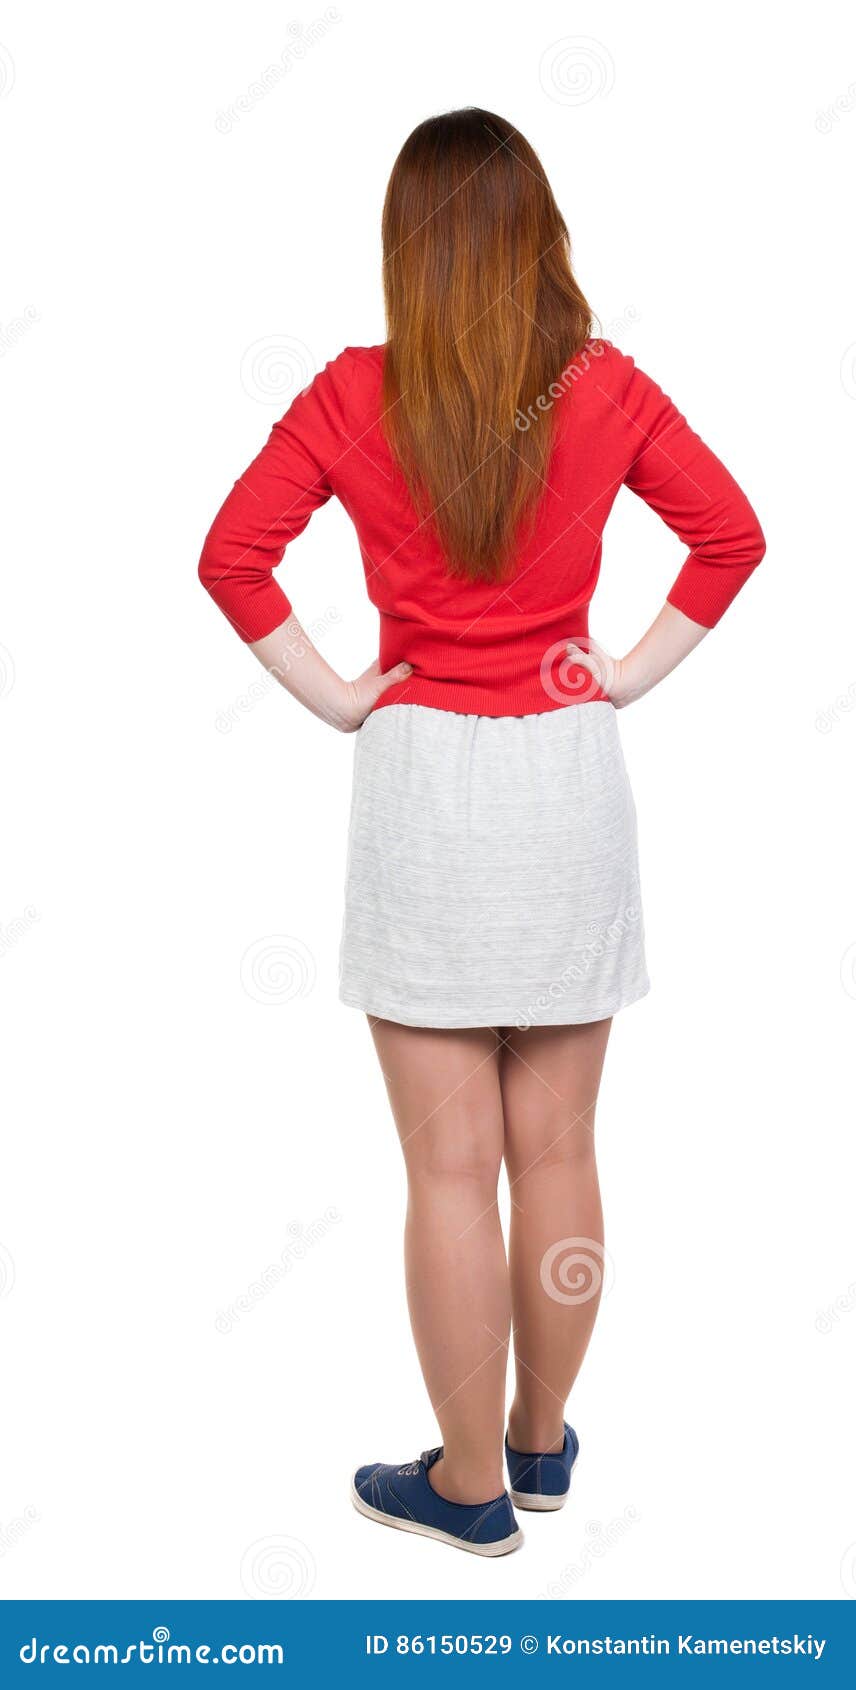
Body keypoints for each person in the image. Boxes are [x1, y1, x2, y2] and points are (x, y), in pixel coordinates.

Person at [198, 108, 765, 1557]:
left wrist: (339, 696)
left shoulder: (351, 393)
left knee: (449, 1167)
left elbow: (232, 555)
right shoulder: (598, 384)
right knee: (559, 1148)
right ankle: (539, 1446)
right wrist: (622, 672)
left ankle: (467, 1485)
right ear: (540, 238)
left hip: (422, 785)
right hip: (567, 778)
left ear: (408, 248)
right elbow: (732, 534)